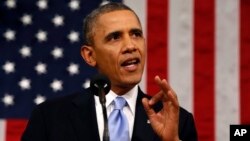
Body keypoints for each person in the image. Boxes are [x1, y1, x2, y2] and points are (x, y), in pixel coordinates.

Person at [21, 2, 197, 141]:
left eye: (136, 34)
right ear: (89, 55)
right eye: (115, 37)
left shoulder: (177, 121)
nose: (130, 46)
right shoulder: (50, 118)